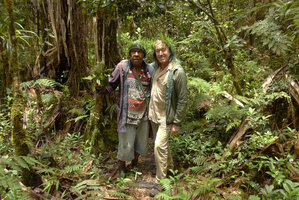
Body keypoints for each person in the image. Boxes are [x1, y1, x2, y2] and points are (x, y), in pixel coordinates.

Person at [100, 44, 155, 179]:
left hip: (144, 115)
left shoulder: (150, 70)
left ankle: (135, 164)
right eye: (133, 52)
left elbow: (155, 89)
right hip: (127, 114)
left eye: (139, 52)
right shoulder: (123, 67)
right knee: (125, 144)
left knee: (141, 143)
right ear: (130, 54)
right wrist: (100, 88)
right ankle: (122, 167)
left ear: (143, 55)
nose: (136, 54)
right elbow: (111, 84)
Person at [148, 39, 188, 183]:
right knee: (163, 146)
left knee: (159, 146)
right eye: (158, 51)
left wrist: (176, 122)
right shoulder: (154, 68)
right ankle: (170, 169)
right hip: (153, 115)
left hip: (166, 117)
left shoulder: (177, 71)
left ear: (170, 51)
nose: (161, 53)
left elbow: (183, 99)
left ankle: (161, 181)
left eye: (163, 50)